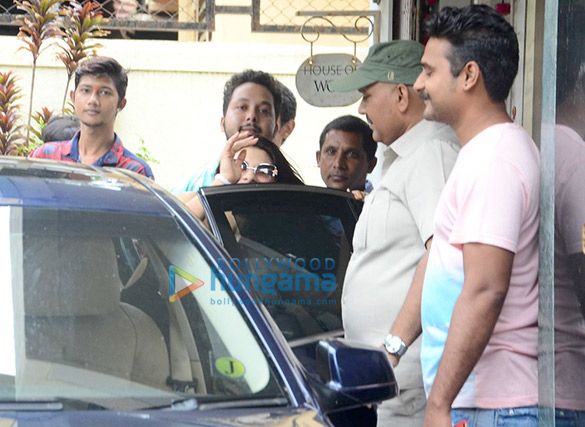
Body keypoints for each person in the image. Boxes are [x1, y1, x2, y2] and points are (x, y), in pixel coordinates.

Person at [387, 5, 540, 427]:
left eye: (429, 72)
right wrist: (392, 349)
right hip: (482, 403)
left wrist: (439, 404)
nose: (419, 85)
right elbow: (439, 261)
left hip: (498, 406)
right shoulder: (481, 153)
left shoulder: (495, 159)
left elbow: (486, 287)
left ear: (468, 76)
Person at [330, 40, 460, 426]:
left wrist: (394, 348)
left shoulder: (431, 154)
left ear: (401, 95)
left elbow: (443, 258)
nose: (362, 109)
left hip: (406, 380)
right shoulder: (398, 159)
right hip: (386, 381)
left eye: (368, 96)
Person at [172, 71, 296, 195]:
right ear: (222, 122)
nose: (252, 116)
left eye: (263, 110)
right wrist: (222, 181)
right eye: (242, 107)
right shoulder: (188, 188)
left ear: (276, 127)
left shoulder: (293, 192)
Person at [30, 56, 154, 179]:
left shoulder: (134, 172)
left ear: (121, 104)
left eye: (104, 92)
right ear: (73, 97)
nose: (93, 100)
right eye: (85, 90)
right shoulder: (46, 157)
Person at [179, 133, 303, 221]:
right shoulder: (195, 203)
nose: (249, 177)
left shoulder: (290, 220)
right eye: (241, 166)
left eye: (264, 171)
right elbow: (173, 229)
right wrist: (224, 179)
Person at [316, 115, 377, 199]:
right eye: (331, 152)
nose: (338, 164)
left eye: (352, 155)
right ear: (318, 158)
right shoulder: (307, 205)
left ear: (371, 164)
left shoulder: (383, 207)